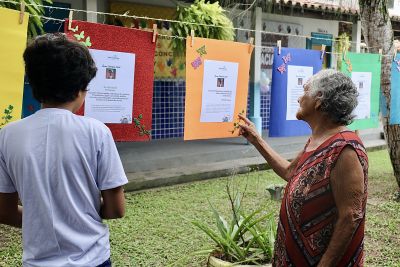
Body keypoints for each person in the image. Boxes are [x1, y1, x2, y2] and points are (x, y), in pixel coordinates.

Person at [0, 33, 128, 267]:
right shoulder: (97, 131)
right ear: (81, 89)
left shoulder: (7, 135)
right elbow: (116, 209)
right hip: (93, 259)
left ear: (33, 83)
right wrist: (76, 214)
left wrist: (43, 218)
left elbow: (4, 211)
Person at [239, 69, 368, 266]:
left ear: (319, 100)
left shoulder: (345, 148)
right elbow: (290, 172)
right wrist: (257, 140)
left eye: (305, 91)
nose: (299, 98)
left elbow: (350, 216)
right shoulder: (317, 140)